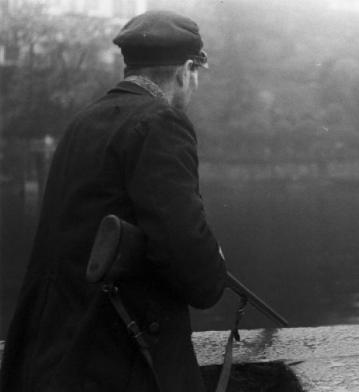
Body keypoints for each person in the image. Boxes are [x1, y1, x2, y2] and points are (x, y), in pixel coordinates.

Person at [0, 10, 227, 392]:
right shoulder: (162, 122)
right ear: (186, 69)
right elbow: (189, 260)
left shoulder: (83, 122)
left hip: (56, 355)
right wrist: (214, 265)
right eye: (196, 75)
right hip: (123, 364)